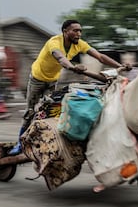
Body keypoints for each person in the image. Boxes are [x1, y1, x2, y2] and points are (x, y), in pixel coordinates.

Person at [9, 19, 127, 155]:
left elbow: (100, 56)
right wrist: (72, 67)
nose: (79, 34)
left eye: (80, 31)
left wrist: (120, 66)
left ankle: (45, 139)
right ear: (65, 32)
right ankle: (20, 144)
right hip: (37, 79)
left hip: (52, 81)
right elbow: (60, 58)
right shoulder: (54, 42)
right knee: (29, 112)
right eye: (75, 31)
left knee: (50, 110)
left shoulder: (79, 45)